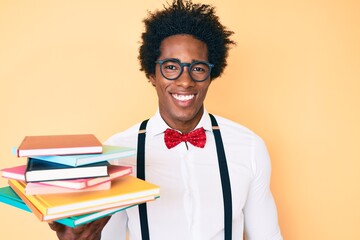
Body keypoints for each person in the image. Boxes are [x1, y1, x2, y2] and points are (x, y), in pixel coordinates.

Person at [49, 0, 283, 239]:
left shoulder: (249, 147)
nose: (185, 81)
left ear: (211, 74)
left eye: (198, 68)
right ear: (152, 74)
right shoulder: (118, 152)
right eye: (171, 67)